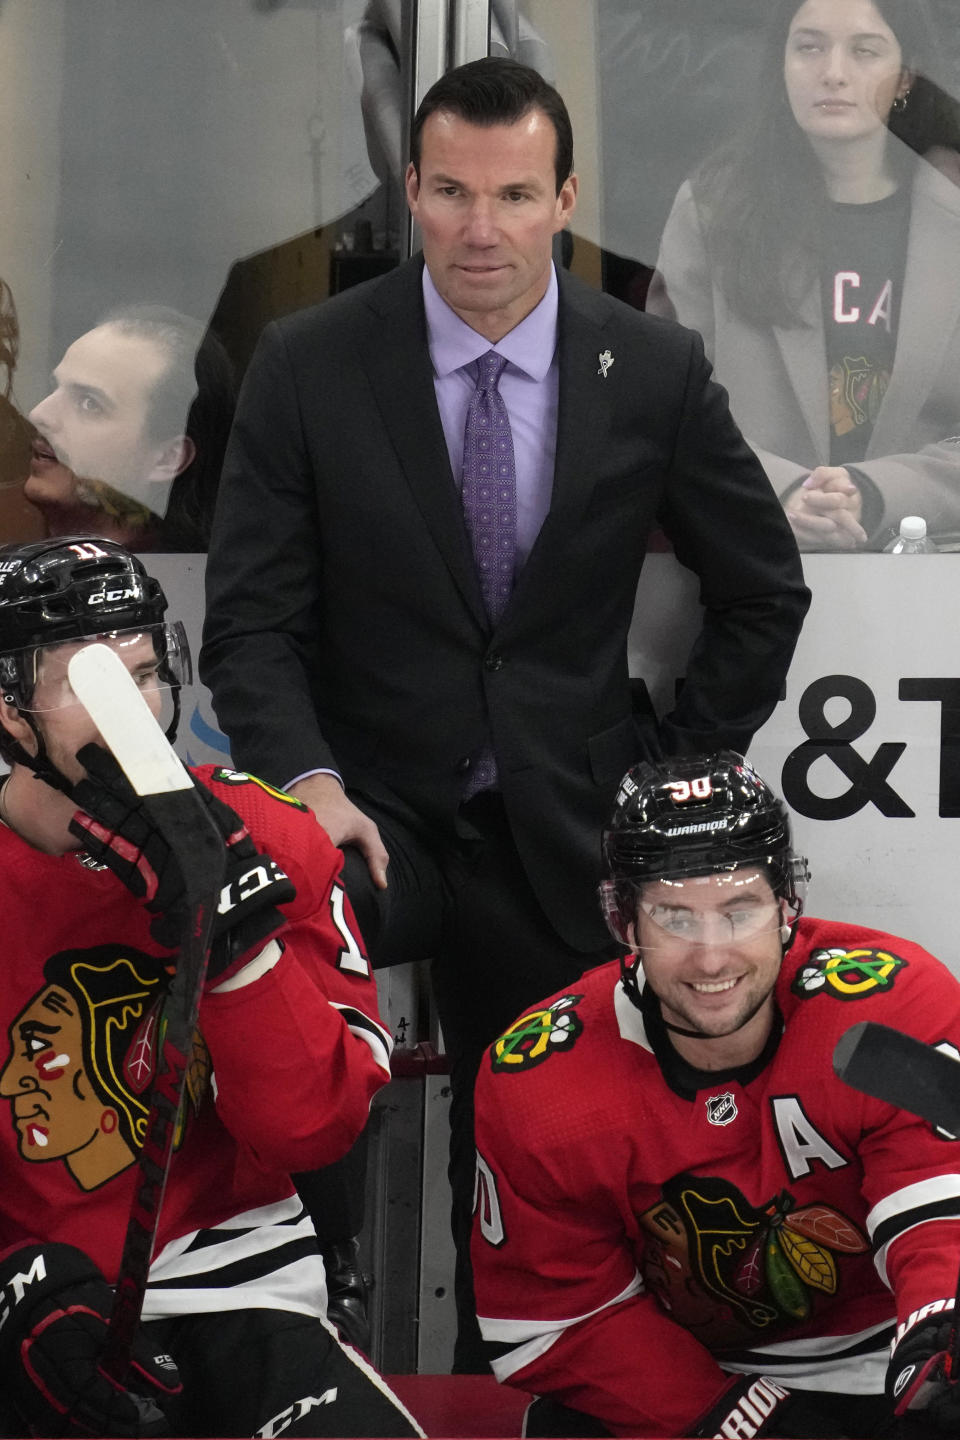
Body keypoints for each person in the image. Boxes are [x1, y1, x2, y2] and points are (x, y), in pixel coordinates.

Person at [200, 55, 810, 1367]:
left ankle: (537, 1377)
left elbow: (761, 589)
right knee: (275, 1019)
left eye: (516, 195)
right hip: (367, 812)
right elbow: (248, 627)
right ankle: (300, 1337)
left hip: (571, 828)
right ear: (411, 192)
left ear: (565, 198)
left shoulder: (649, 366)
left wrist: (667, 779)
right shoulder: (307, 365)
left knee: (557, 1167)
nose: (482, 231)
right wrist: (306, 786)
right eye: (454, 194)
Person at [0, 535, 421, 1439]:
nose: (133, 714)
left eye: (145, 672)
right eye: (86, 683)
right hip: (25, 1285)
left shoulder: (271, 833)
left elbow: (311, 1129)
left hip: (242, 1284)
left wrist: (236, 947)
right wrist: (14, 1289)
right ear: (7, 712)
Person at [471, 751, 960, 1438]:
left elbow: (937, 1210)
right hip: (686, 1371)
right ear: (624, 921)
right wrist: (745, 1422)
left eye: (739, 910)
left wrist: (939, 1332)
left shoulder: (894, 1003)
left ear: (788, 903)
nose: (711, 956)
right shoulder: (539, 1078)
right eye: (674, 916)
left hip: (885, 1352)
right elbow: (560, 1320)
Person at [647, 0, 960, 553]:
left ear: (906, 75)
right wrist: (784, 493)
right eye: (809, 46)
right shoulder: (712, 212)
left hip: (932, 580)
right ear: (782, 65)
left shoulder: (954, 222)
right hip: (754, 572)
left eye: (864, 50)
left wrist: (873, 490)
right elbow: (664, 408)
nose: (833, 71)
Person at [26, 305, 235, 551]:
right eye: (54, 388)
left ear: (167, 458)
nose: (39, 414)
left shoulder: (175, 583)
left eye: (88, 403)